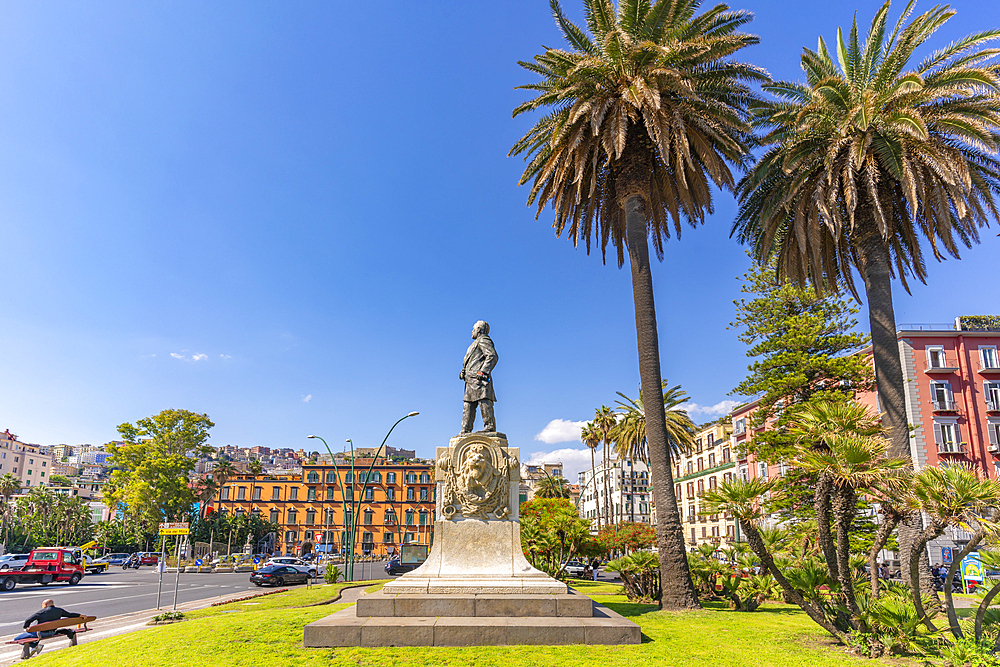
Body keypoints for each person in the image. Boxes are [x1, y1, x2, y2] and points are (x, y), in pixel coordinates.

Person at [459, 321, 499, 434]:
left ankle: (489, 427)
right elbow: (473, 362)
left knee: (484, 402)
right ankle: (465, 430)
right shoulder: (475, 343)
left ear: (479, 330)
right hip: (470, 380)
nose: (472, 331)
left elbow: (492, 355)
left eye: (473, 329)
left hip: (479, 380)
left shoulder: (483, 340)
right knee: (467, 406)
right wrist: (464, 372)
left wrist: (483, 371)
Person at [15, 598, 82, 660]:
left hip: (41, 634)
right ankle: (35, 646)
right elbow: (70, 614)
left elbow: (28, 620)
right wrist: (80, 615)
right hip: (52, 632)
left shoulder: (41, 612)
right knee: (30, 635)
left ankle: (35, 646)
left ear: (45, 605)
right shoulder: (59, 610)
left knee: (17, 639)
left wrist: (26, 628)